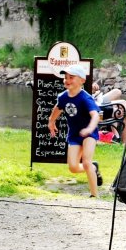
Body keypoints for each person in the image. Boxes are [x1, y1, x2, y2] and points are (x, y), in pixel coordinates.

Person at [48, 63, 102, 197]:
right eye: (65, 77)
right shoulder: (63, 97)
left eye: (71, 77)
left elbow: (95, 115)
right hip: (74, 135)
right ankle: (94, 168)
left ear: (82, 80)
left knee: (86, 161)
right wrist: (51, 121)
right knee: (73, 167)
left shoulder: (85, 98)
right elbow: (58, 108)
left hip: (89, 133)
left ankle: (94, 195)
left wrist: (90, 128)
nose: (67, 80)